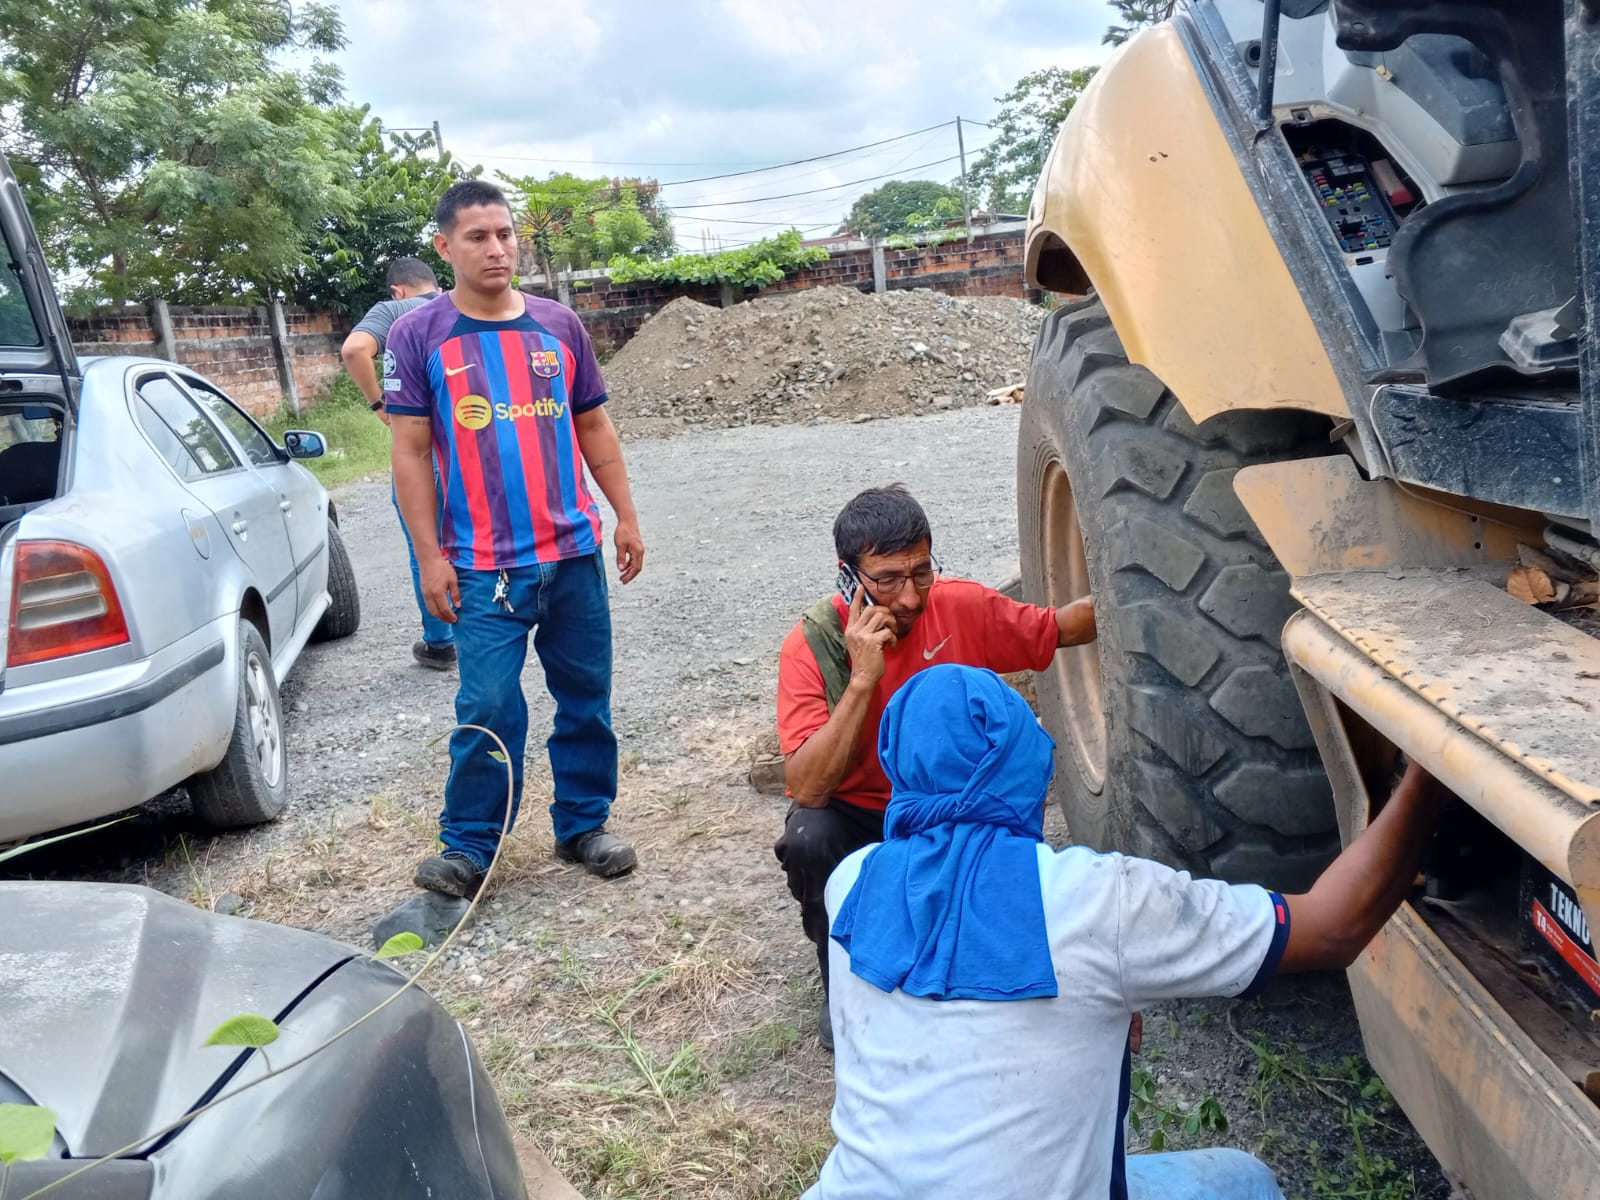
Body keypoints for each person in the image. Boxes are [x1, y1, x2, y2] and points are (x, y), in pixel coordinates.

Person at [809, 663, 1448, 1200]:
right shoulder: (1097, 899)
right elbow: (1334, 927)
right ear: (1022, 761)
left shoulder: (850, 885)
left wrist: (1097, 1005)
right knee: (1243, 1182)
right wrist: (1429, 775)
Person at [384, 180, 644, 897]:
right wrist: (430, 557)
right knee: (488, 707)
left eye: (504, 234)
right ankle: (470, 847)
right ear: (444, 247)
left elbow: (594, 425)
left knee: (585, 696)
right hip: (480, 567)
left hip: (573, 555)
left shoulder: (560, 326)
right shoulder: (419, 335)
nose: (496, 248)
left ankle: (584, 825)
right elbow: (410, 452)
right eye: (477, 237)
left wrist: (625, 515)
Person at [774, 483, 1096, 1046]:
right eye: (888, 579)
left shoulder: (960, 606)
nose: (909, 597)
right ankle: (840, 977)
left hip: (948, 810)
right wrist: (863, 679)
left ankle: (990, 965)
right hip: (862, 813)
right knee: (809, 837)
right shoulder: (810, 647)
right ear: (849, 578)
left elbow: (1057, 628)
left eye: (921, 572)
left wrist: (1135, 594)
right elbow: (807, 787)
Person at [340, 257, 455, 670]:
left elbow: (354, 349)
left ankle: (441, 642)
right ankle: (488, 627)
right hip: (471, 447)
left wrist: (379, 404)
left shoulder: (393, 311)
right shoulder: (461, 304)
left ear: (398, 290)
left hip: (421, 448)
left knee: (425, 543)